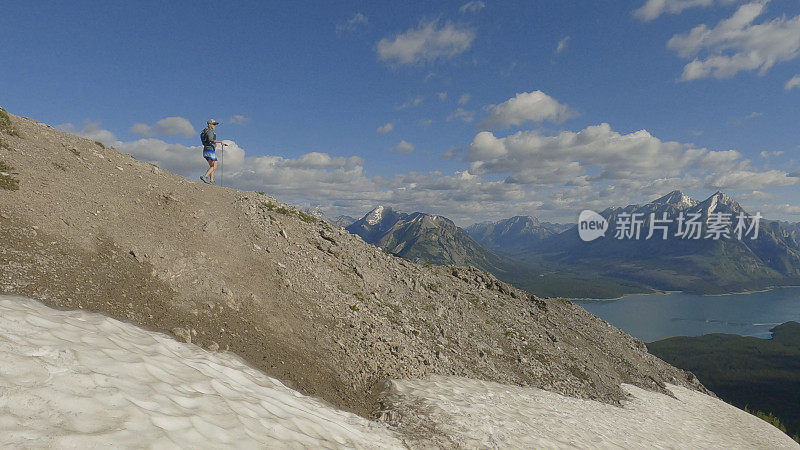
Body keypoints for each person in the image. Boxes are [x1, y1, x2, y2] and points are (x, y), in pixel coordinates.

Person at [200, 119, 227, 183]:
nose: (215, 126)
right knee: (213, 166)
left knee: (213, 165)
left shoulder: (205, 131)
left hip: (206, 150)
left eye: (215, 124)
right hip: (210, 150)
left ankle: (211, 180)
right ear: (209, 124)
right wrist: (221, 142)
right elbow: (211, 140)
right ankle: (205, 176)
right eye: (213, 124)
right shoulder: (209, 131)